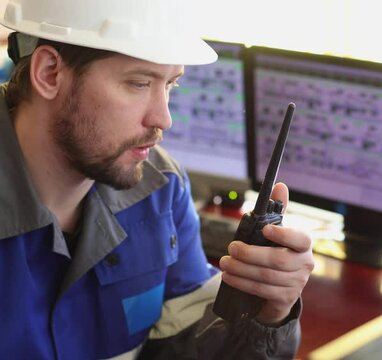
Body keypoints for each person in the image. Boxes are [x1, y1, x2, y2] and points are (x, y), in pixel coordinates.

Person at [0, 0, 314, 358]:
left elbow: (191, 348)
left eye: (171, 85)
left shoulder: (160, 187)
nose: (163, 119)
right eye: (138, 83)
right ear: (50, 73)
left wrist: (267, 314)